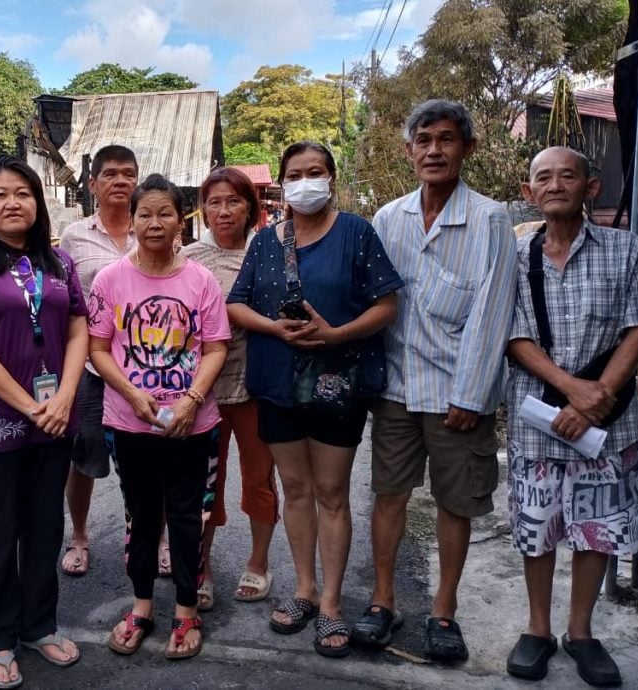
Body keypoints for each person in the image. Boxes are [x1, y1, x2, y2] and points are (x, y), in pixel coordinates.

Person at [351, 100, 518, 661]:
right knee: (388, 494)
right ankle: (382, 601)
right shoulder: (387, 217)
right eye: (423, 140)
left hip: (456, 391)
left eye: (446, 140)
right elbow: (377, 300)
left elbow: (494, 310)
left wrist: (472, 395)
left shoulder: (491, 218)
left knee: (455, 502)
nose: (434, 151)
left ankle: (443, 611)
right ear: (408, 150)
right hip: (397, 387)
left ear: (466, 149)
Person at [227, 142, 402, 658]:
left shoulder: (357, 233)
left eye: (317, 172)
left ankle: (330, 604)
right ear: (282, 182)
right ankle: (303, 588)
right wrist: (275, 329)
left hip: (337, 386)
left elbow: (387, 304)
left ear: (331, 178)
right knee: (296, 489)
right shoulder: (265, 241)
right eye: (297, 174)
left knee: (331, 492)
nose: (307, 182)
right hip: (278, 383)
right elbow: (236, 304)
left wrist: (337, 334)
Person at [504, 147, 638, 686]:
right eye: (544, 177)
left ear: (590, 187)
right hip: (538, 418)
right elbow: (513, 333)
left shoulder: (626, 249)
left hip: (611, 424)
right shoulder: (515, 256)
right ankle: (537, 629)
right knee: (536, 527)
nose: (556, 184)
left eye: (569, 175)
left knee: (598, 529)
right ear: (528, 193)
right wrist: (572, 393)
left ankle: (581, 632)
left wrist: (601, 395)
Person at [0, 155, 89, 689]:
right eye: (0, 194)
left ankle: (39, 625)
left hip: (54, 421)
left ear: (38, 202)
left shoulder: (59, 263)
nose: (12, 202)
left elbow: (79, 329)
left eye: (22, 193)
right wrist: (31, 406)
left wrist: (66, 395)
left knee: (45, 528)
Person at [89, 174, 230, 660]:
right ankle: (142, 606)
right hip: (131, 424)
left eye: (164, 213)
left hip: (194, 424)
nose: (154, 223)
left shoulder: (200, 280)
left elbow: (215, 347)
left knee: (190, 518)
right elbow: (98, 347)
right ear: (131, 221)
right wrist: (130, 393)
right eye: (144, 214)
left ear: (180, 220)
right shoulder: (110, 280)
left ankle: (187, 611)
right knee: (141, 516)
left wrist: (191, 400)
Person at [58, 145, 172, 578]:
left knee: (153, 458)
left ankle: (159, 539)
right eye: (110, 174)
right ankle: (80, 537)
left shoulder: (155, 228)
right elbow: (67, 302)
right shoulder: (73, 237)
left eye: (128, 174)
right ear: (94, 185)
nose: (120, 181)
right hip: (91, 366)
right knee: (82, 457)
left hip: (150, 368)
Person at [181, 167, 280, 610]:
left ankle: (258, 562)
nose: (223, 211)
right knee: (203, 482)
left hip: (257, 384)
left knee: (260, 478)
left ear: (250, 207)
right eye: (215, 202)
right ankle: (200, 567)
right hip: (203, 388)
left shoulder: (270, 251)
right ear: (203, 208)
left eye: (233, 201)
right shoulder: (188, 257)